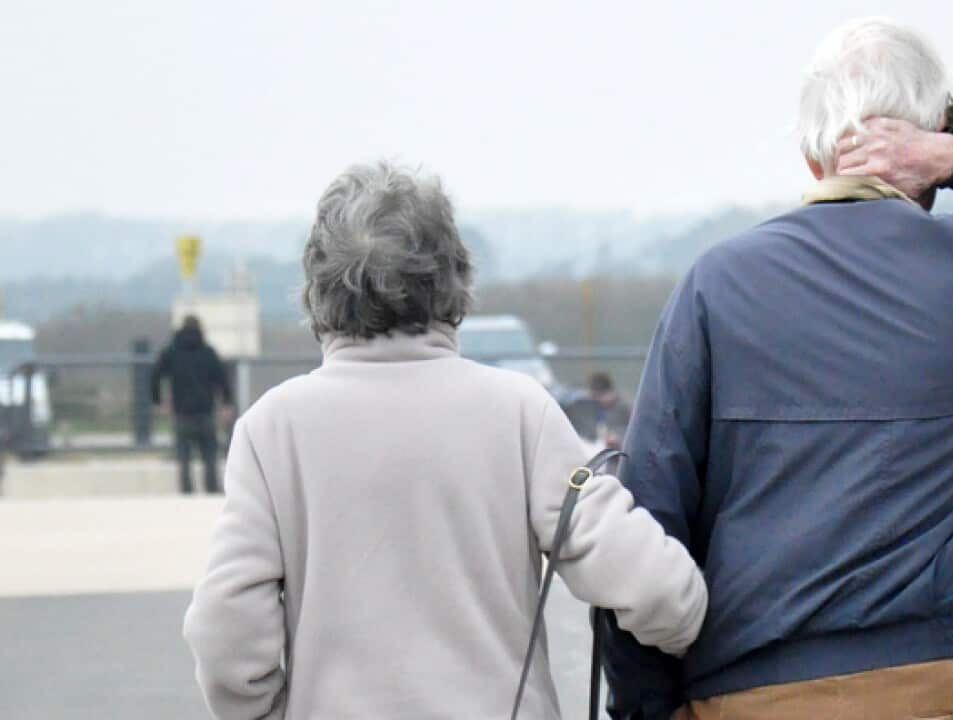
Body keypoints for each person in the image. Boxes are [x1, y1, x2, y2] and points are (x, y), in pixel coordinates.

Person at [600, 17, 953, 720]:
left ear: (814, 156)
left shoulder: (717, 284)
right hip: (941, 689)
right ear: (923, 145)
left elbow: (650, 524)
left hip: (751, 692)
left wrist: (646, 708)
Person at [182, 162, 707, 720]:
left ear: (317, 287)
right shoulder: (520, 412)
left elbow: (225, 634)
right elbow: (661, 592)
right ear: (454, 276)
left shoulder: (271, 430)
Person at [152, 315, 232, 494]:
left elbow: (155, 376)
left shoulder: (171, 352)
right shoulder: (208, 352)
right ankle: (211, 490)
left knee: (183, 456)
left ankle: (186, 492)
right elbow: (223, 379)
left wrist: (159, 401)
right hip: (205, 411)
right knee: (210, 455)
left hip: (181, 412)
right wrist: (226, 403)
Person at [589, 372, 632, 450]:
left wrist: (618, 437)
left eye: (601, 396)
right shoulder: (597, 407)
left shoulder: (624, 406)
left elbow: (634, 429)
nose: (600, 400)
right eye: (596, 397)